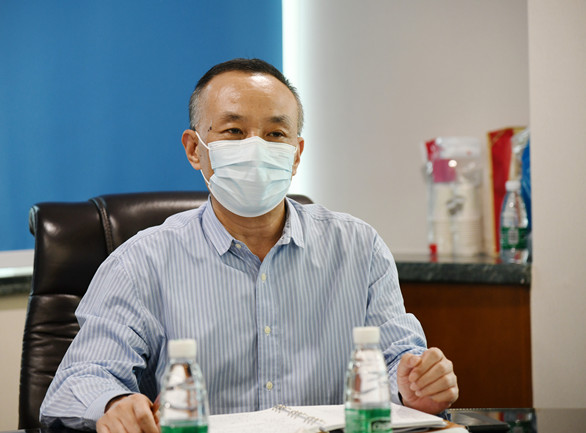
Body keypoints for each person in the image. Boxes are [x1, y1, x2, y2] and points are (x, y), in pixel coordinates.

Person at [40, 58, 458, 433]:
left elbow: (398, 361)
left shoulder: (359, 249)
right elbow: (81, 378)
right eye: (234, 131)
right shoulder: (140, 262)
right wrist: (114, 403)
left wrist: (414, 386)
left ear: (296, 154)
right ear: (194, 149)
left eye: (275, 133)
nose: (256, 148)